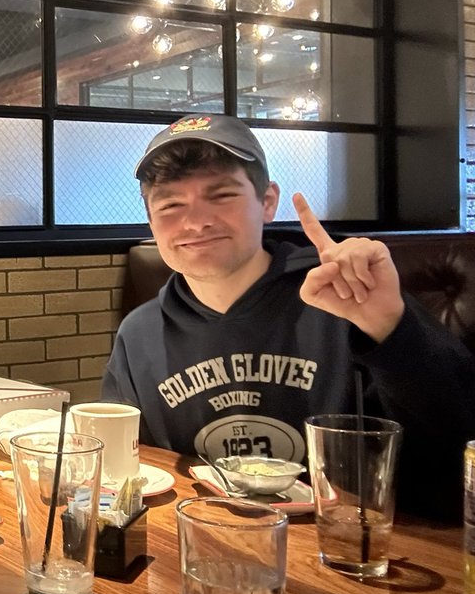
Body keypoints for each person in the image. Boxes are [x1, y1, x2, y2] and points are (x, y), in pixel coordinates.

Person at [102, 114, 475, 520]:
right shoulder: (139, 335)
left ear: (267, 202)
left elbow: (456, 456)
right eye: (171, 205)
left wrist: (393, 329)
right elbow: (129, 474)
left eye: (222, 195)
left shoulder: (345, 298)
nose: (195, 221)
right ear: (151, 221)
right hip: (207, 535)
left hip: (343, 541)